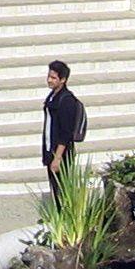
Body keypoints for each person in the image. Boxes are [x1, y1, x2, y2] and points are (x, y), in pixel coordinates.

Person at [41, 60, 87, 196]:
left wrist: (58, 157)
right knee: (55, 189)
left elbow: (66, 132)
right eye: (49, 76)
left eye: (53, 78)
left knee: (61, 190)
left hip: (60, 152)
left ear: (63, 80)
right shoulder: (53, 96)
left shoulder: (66, 100)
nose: (49, 80)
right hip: (50, 148)